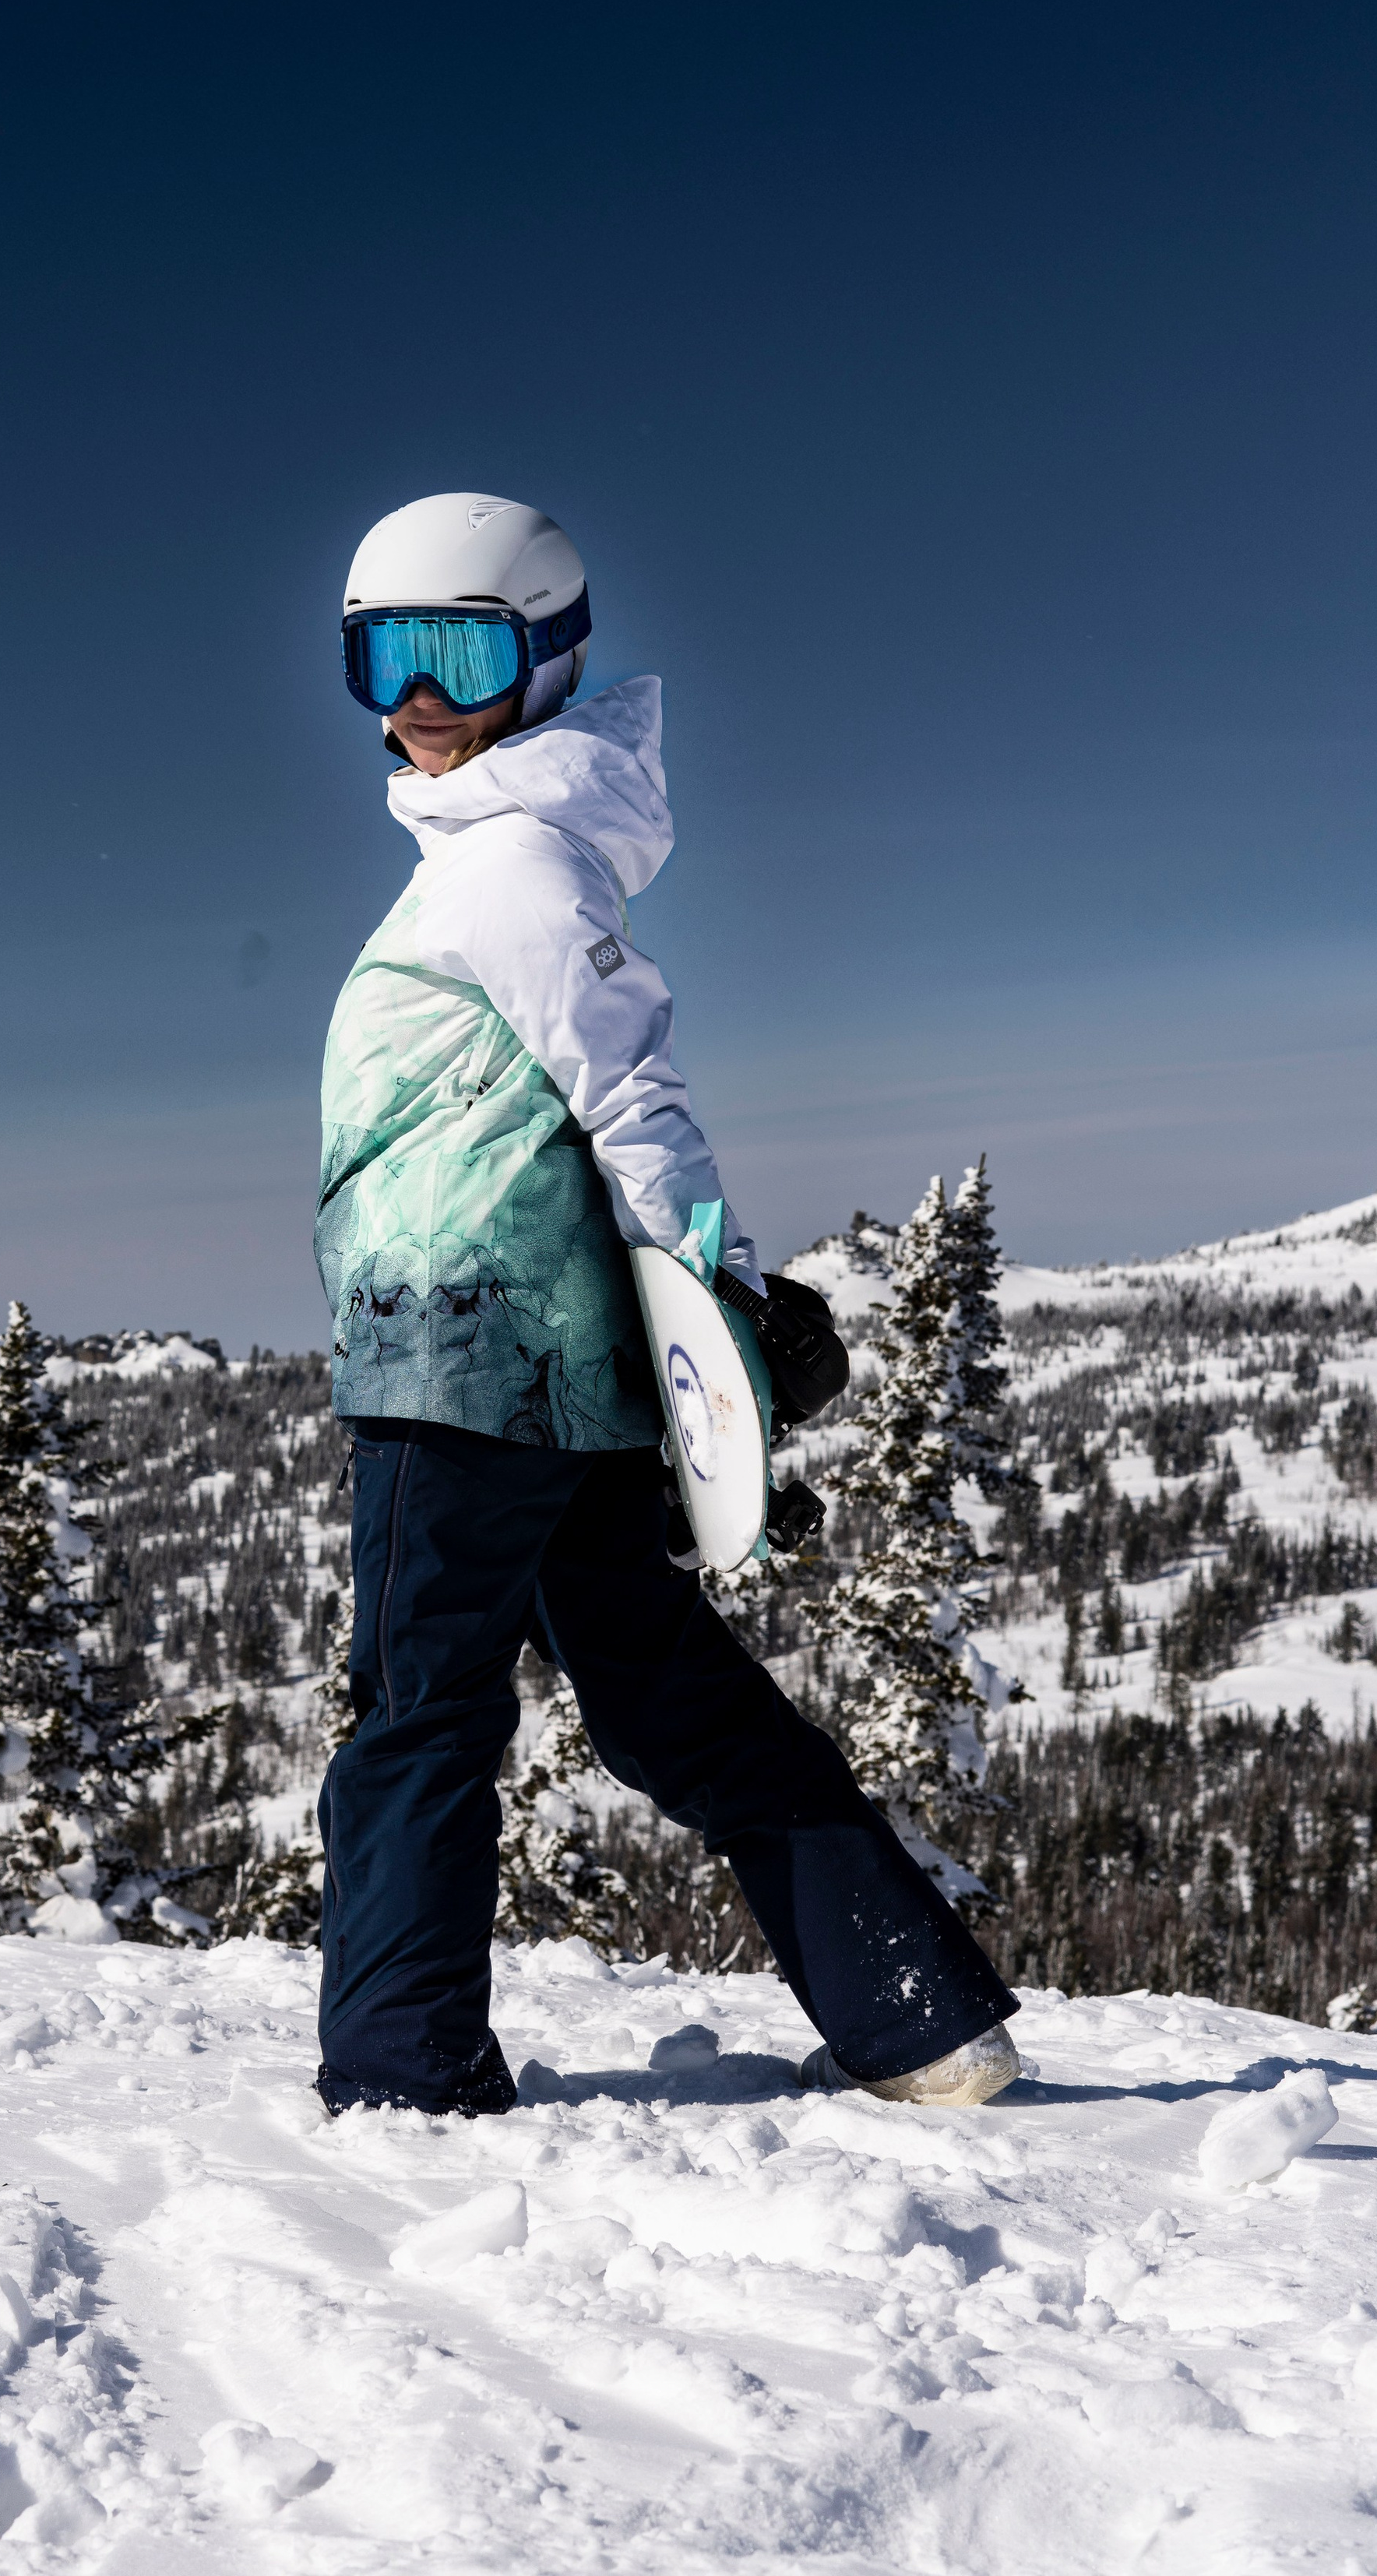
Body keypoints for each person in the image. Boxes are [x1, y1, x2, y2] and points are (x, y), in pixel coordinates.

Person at [311, 491, 1020, 2117]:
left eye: (455, 655)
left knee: (417, 1709)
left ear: (547, 660)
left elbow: (632, 1096)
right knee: (662, 1693)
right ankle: (915, 2017)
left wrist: (724, 1290)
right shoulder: (515, 856)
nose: (415, 700)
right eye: (380, 658)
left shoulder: (507, 865)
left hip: (453, 1358)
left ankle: (402, 2073)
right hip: (553, 1367)